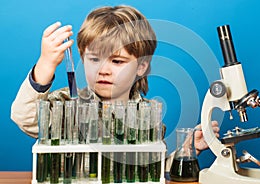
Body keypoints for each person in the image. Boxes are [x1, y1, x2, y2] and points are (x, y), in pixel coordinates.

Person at [11, 5, 219, 170]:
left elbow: (151, 169)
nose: (103, 70)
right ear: (82, 59)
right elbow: (25, 117)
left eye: (117, 61)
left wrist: (186, 150)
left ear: (141, 66)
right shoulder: (66, 103)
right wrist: (45, 65)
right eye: (94, 59)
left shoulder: (147, 116)